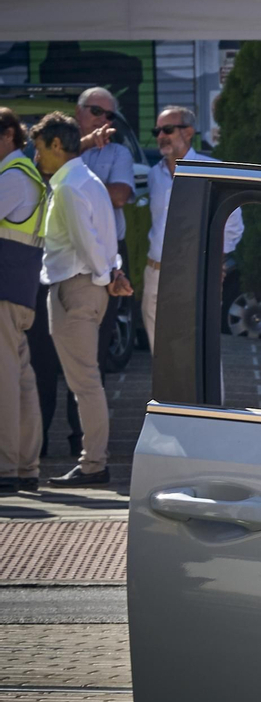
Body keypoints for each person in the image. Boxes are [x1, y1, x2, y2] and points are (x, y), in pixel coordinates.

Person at [31, 112, 133, 487]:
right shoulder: (86, 180)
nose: (36, 157)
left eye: (39, 148)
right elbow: (103, 240)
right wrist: (112, 273)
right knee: (87, 382)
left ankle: (93, 464)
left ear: (57, 145)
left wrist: (107, 275)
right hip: (88, 284)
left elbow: (88, 241)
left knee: (85, 384)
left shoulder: (71, 186)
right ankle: (93, 463)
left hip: (76, 287)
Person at [143, 106, 244, 354]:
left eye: (167, 129)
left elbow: (233, 225)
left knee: (198, 356)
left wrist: (215, 262)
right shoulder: (154, 175)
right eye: (157, 131)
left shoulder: (212, 170)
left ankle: (205, 396)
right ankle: (167, 395)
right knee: (161, 355)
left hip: (195, 274)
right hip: (154, 272)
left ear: (188, 132)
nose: (160, 136)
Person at [73, 88, 133, 412]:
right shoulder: (56, 147)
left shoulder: (118, 153)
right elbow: (39, 177)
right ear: (78, 113)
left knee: (97, 347)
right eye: (96, 111)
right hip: (62, 255)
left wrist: (68, 186)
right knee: (48, 351)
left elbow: (120, 195)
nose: (103, 120)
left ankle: (83, 435)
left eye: (110, 115)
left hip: (107, 254)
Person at [0, 109, 45, 494]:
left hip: (5, 290)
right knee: (22, 380)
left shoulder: (12, 177)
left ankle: (7, 468)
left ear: (7, 136)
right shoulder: (24, 174)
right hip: (19, 287)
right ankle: (26, 466)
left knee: (5, 382)